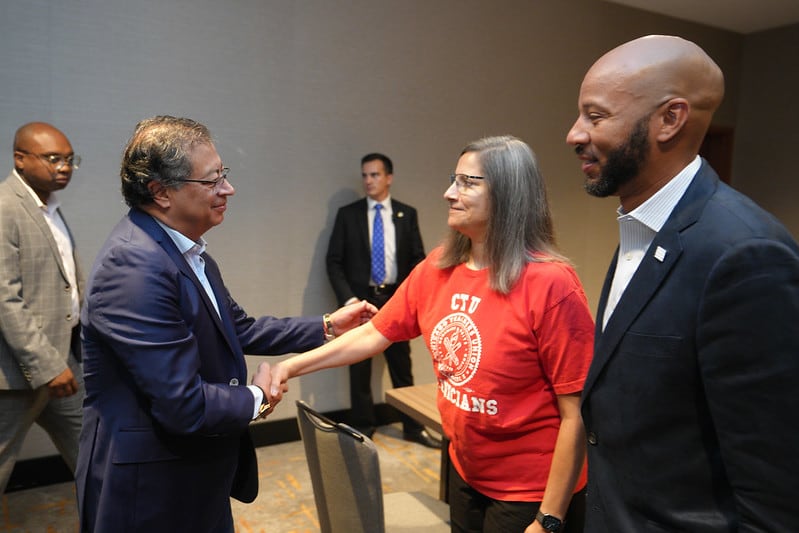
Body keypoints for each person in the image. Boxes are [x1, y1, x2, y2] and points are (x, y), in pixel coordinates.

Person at [271, 136, 594, 533]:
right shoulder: (439, 265)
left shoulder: (552, 285)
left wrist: (550, 518)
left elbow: (576, 414)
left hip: (529, 490)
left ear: (508, 194)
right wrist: (290, 367)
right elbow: (374, 332)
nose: (448, 193)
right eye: (452, 180)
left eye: (466, 182)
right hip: (465, 470)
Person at [74, 115, 376, 533]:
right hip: (151, 486)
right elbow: (183, 405)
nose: (228, 189)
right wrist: (258, 398)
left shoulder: (186, 252)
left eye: (224, 175)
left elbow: (239, 327)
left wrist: (327, 325)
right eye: (212, 180)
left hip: (192, 468)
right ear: (161, 192)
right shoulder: (135, 266)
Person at [566, 35, 799, 531]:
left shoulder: (744, 255)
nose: (574, 134)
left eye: (596, 115)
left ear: (670, 119)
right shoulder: (641, 224)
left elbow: (776, 487)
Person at [326, 152, 439, 448]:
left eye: (374, 175)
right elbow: (334, 261)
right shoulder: (348, 215)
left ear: (389, 177)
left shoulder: (406, 214)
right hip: (360, 303)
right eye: (364, 175)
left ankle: (414, 427)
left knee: (403, 367)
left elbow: (419, 261)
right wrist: (349, 300)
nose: (368, 181)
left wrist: (410, 298)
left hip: (396, 300)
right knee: (359, 367)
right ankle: (362, 428)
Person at [0, 122, 84, 494]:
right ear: (20, 159)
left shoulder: (50, 207)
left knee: (94, 455)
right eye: (53, 159)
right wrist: (48, 366)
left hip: (64, 363)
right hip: (17, 374)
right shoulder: (4, 209)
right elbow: (5, 299)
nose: (63, 167)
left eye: (69, 160)